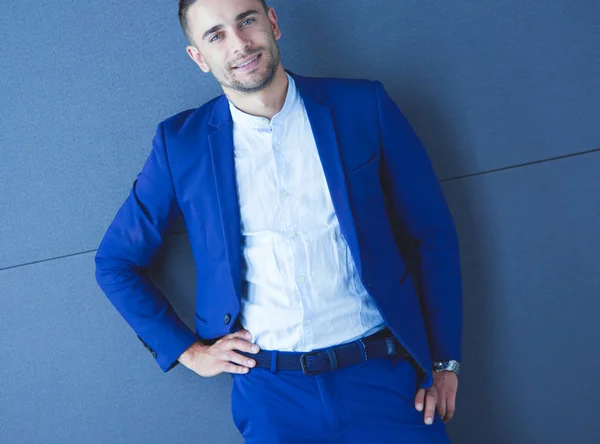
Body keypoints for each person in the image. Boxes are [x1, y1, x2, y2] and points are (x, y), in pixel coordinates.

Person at [94, 0, 463, 442]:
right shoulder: (181, 145)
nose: (239, 43)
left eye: (246, 20)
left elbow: (432, 235)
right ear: (198, 57)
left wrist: (444, 363)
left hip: (386, 380)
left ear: (272, 22)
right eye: (216, 35)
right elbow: (115, 262)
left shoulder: (363, 106)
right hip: (272, 397)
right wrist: (189, 352)